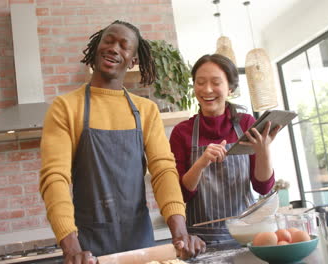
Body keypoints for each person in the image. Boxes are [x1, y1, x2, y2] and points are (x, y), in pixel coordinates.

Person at [39, 20, 205, 264]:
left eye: (124, 45)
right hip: (87, 249)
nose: (114, 48)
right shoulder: (65, 107)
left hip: (141, 245)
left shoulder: (146, 110)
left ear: (133, 60)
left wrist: (179, 232)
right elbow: (55, 178)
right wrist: (70, 245)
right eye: (109, 40)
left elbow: (163, 171)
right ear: (97, 46)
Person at [169, 54, 279, 242]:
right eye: (200, 82)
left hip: (247, 235)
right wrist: (201, 163)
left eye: (216, 82)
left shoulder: (247, 124)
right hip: (200, 240)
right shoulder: (182, 132)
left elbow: (263, 187)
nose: (207, 89)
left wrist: (263, 151)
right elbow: (181, 195)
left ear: (230, 88)